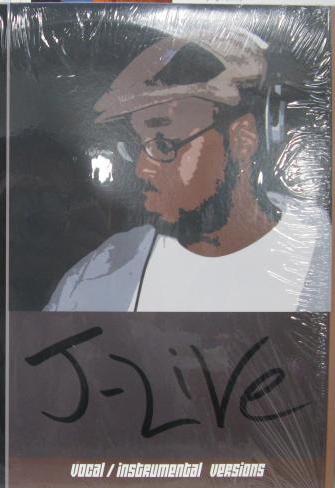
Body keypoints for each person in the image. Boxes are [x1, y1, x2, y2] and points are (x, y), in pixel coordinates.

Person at [44, 29, 330, 312]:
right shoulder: (100, 275)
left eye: (162, 144)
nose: (142, 170)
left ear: (243, 139)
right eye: (133, 147)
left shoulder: (317, 260)